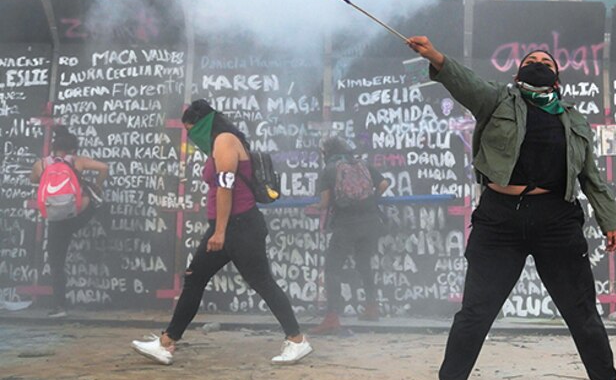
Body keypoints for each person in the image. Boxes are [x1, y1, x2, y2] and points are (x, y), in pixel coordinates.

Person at [407, 36, 616, 380]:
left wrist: (608, 219)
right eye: (532, 60)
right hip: (499, 220)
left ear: (556, 79)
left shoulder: (575, 120)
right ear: (519, 71)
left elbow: (590, 176)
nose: (538, 63)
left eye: (547, 62)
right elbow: (467, 83)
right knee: (475, 313)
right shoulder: (497, 100)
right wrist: (435, 56)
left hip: (557, 220)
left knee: (582, 313)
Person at [130, 99, 312, 366]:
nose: (190, 136)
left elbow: (226, 187)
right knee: (195, 278)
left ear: (202, 124)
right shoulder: (222, 141)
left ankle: (297, 340)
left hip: (238, 226)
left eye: (191, 128)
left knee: (262, 282)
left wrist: (220, 231)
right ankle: (166, 342)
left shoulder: (225, 141)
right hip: (232, 225)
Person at [309, 137, 389, 334]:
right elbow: (384, 183)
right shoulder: (362, 163)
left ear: (326, 152)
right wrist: (371, 200)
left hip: (345, 225)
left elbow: (325, 202)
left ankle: (332, 318)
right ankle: (371, 308)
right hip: (370, 222)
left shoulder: (329, 169)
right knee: (364, 264)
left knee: (332, 269)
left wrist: (314, 206)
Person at [30, 125, 108, 319]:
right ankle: (96, 205)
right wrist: (96, 186)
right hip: (78, 214)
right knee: (92, 199)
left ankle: (59, 306)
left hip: (56, 218)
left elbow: (33, 180)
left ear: (54, 147)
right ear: (73, 149)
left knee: (57, 262)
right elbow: (104, 167)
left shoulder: (42, 164)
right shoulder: (77, 161)